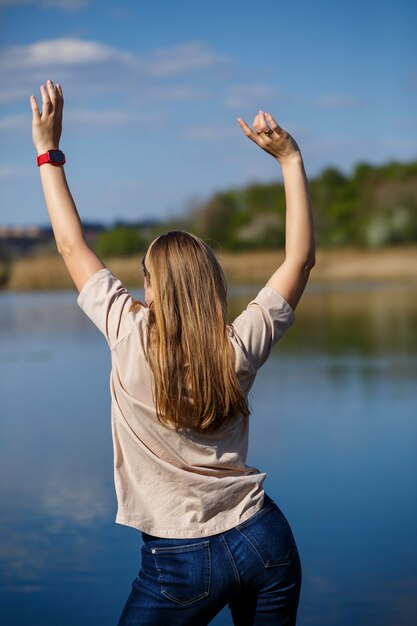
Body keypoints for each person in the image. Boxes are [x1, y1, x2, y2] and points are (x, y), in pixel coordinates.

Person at [30, 80, 315, 626]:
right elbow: (298, 262)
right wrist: (290, 159)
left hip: (178, 560)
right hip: (264, 539)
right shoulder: (239, 345)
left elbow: (70, 244)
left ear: (152, 288)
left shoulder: (126, 331)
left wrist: (49, 151)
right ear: (210, 286)